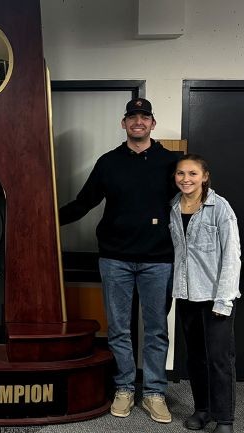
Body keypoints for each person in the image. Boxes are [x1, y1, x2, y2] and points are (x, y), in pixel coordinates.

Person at [58, 98, 178, 423]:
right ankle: (124, 387)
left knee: (155, 331)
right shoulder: (108, 163)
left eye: (144, 117)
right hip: (115, 260)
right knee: (119, 330)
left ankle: (154, 393)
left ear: (153, 123)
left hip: (159, 260)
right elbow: (84, 203)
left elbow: (192, 200)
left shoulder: (171, 162)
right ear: (123, 124)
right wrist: (46, 219)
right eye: (132, 117)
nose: (138, 122)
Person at [170, 154, 241, 433]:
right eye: (180, 173)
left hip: (215, 297)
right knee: (196, 357)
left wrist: (223, 300)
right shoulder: (173, 207)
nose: (186, 179)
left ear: (205, 176)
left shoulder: (220, 207)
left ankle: (224, 419)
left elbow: (232, 256)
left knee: (219, 359)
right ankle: (203, 410)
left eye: (192, 174)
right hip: (187, 295)